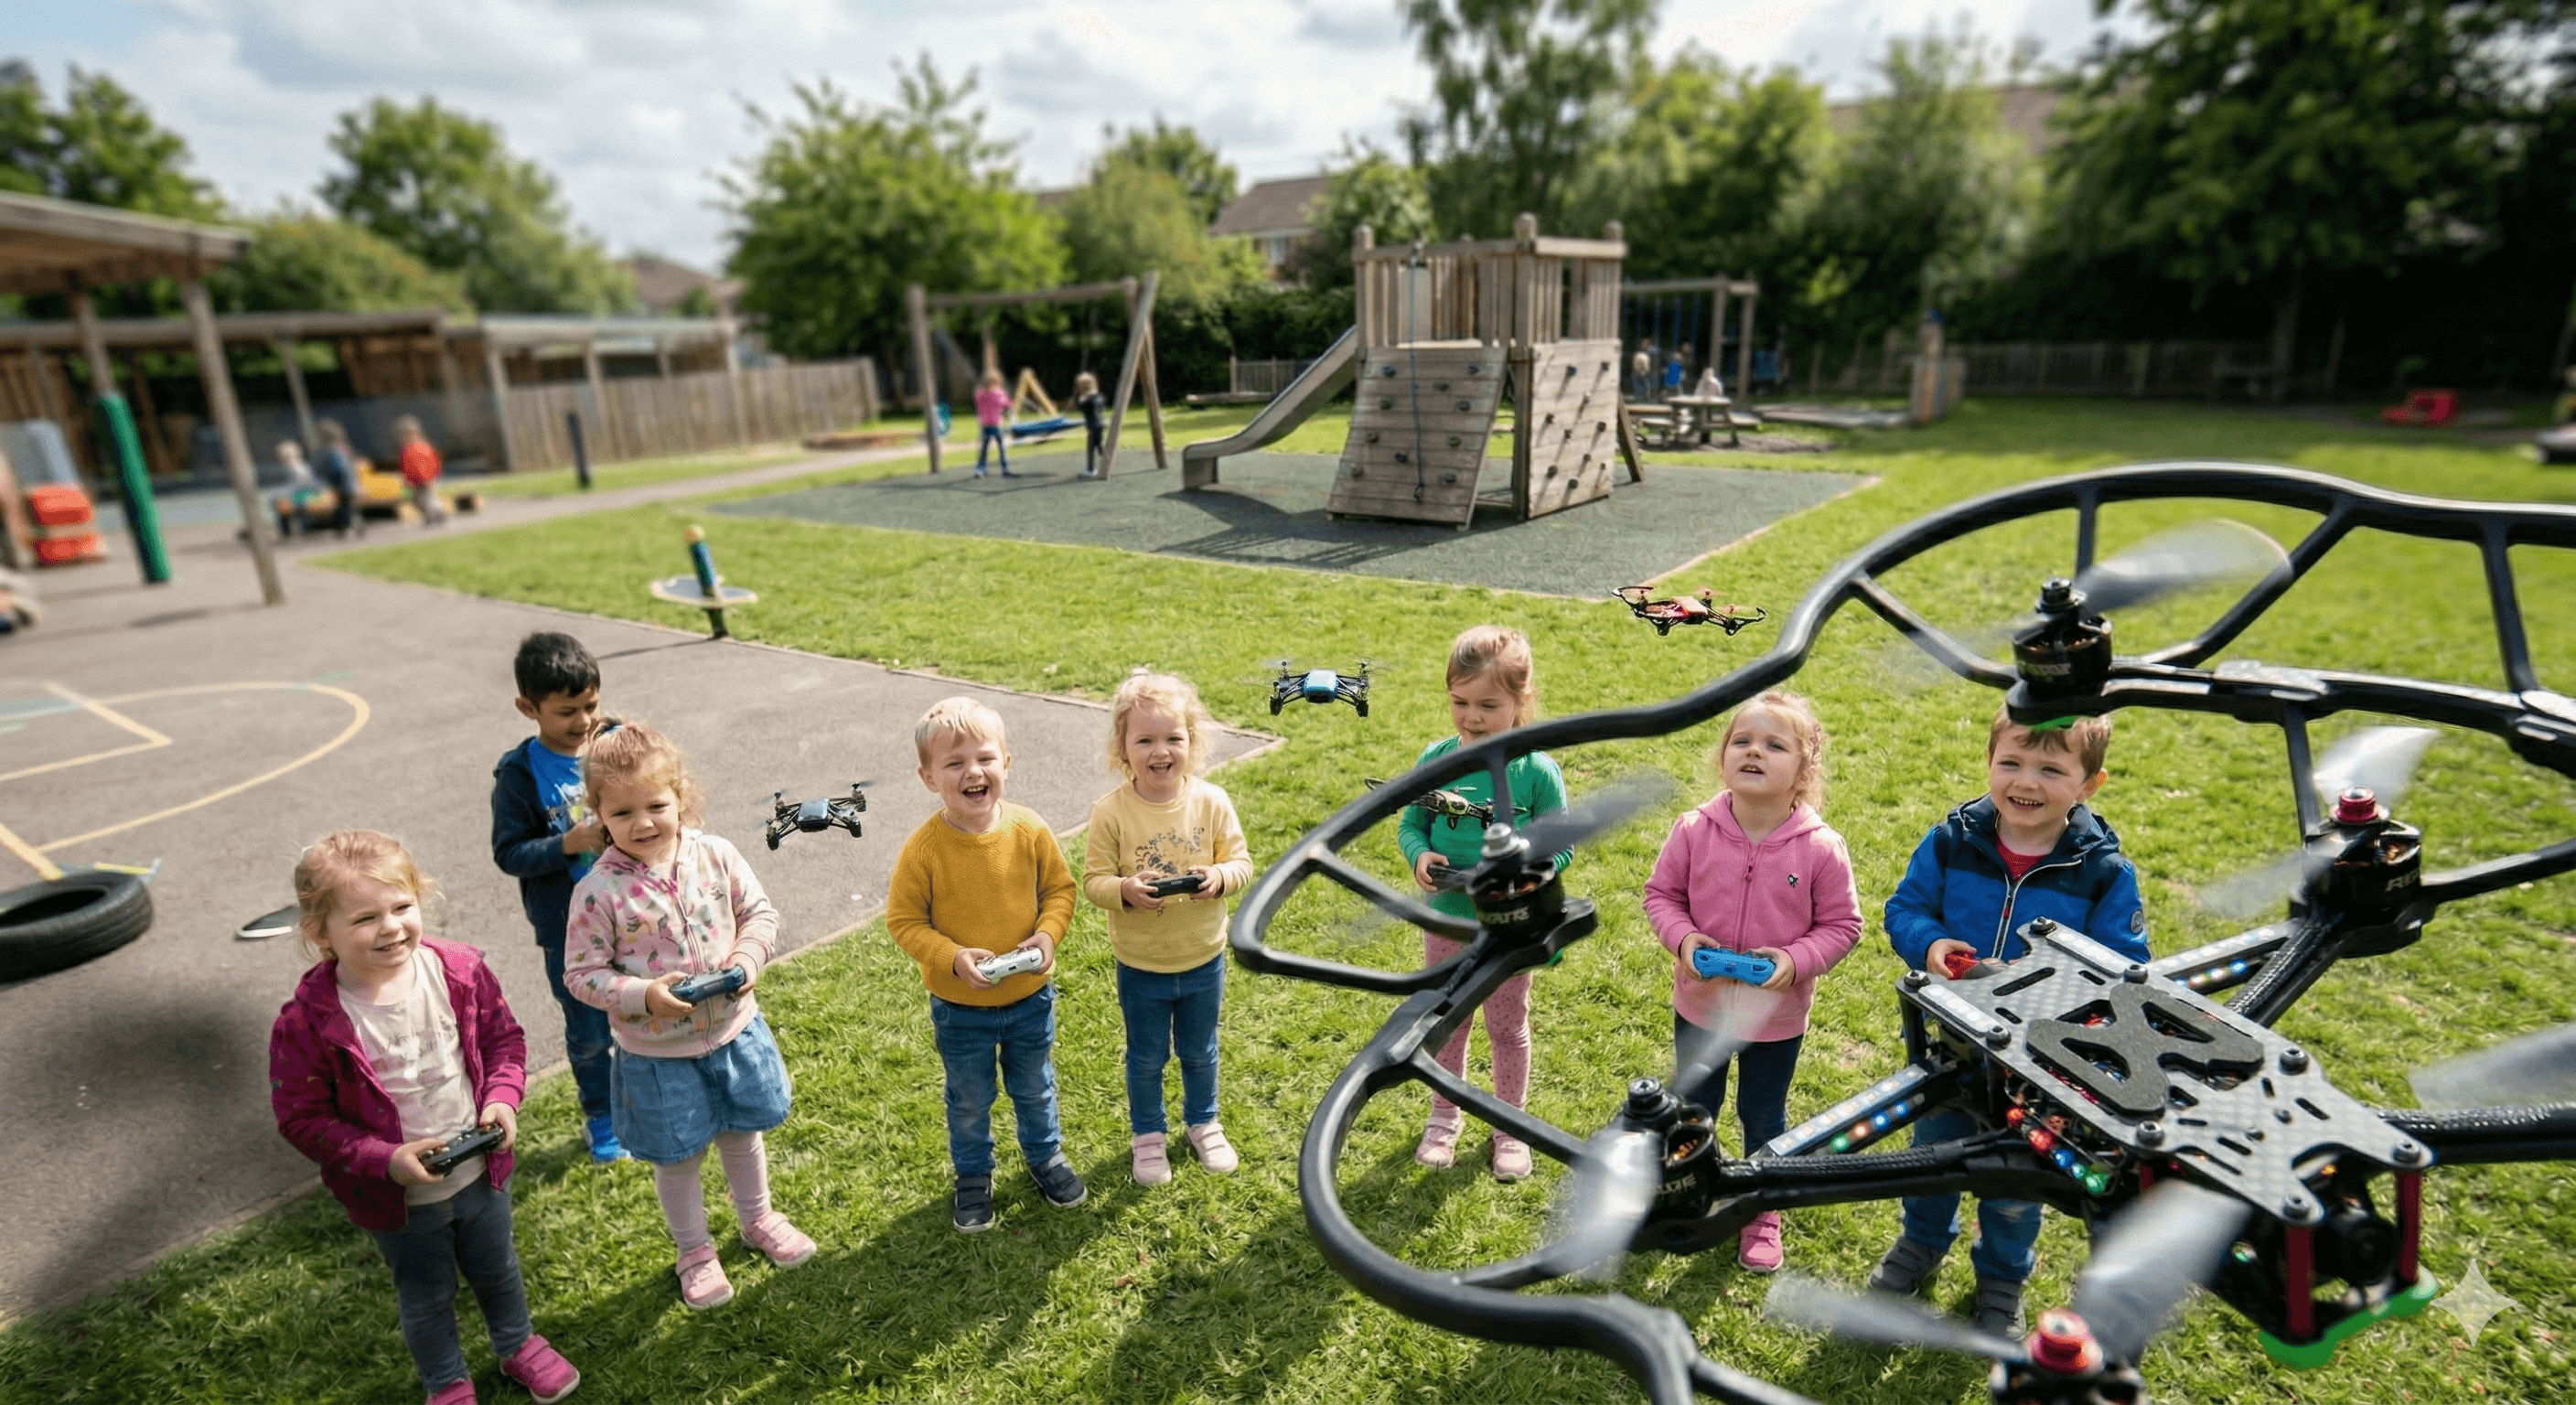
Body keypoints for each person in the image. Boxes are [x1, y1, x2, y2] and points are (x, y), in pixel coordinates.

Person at [269, 831, 581, 1405]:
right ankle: (447, 1382)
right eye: (365, 917)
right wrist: (385, 1162)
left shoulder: (457, 972)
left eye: (402, 907)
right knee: (426, 1293)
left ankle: (517, 1344)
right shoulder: (308, 1023)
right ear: (319, 933)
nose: (390, 927)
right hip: (398, 1200)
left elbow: (504, 1042)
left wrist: (501, 1100)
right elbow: (302, 1119)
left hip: (481, 1170)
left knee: (497, 1266)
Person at [1872, 707, 2148, 1335]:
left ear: (2088, 786)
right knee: (1933, 1158)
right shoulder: (1952, 840)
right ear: (1990, 762)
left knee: (2019, 1185)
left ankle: (2001, 1276)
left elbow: (2124, 969)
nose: (2027, 781)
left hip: (2045, 1068)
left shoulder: (2103, 872)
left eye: (2052, 768)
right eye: (2012, 762)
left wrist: (2042, 986)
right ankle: (1920, 1242)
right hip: (1953, 1050)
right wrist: (1932, 945)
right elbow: (1907, 907)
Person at [563, 723, 814, 1311]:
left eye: (656, 804)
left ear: (681, 796)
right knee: (677, 1156)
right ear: (598, 813)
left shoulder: (716, 854)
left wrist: (750, 955)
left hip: (732, 1032)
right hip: (657, 1054)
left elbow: (758, 913)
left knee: (740, 1132)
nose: (644, 822)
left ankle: (759, 1220)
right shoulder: (598, 892)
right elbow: (580, 974)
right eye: (623, 812)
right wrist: (642, 994)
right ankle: (695, 1251)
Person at [1642, 691, 1862, 1272]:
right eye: (1742, 741)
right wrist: (1685, 941)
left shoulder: (1821, 848)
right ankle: (1690, 1189)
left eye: (1774, 744)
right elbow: (1661, 896)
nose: (1754, 752)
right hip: (1701, 1007)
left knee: (1764, 1116)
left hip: (1774, 1020)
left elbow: (1843, 926)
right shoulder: (1693, 830)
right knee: (1693, 1107)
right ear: (1723, 757)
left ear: (1803, 768)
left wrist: (1792, 962)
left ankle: (1761, 1209)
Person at [886, 696, 1083, 1231]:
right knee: (970, 1099)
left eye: (985, 758)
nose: (973, 772)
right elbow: (904, 922)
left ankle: (1045, 1156)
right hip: (961, 1008)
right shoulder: (924, 850)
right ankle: (974, 1174)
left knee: (1035, 1085)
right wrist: (950, 957)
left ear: (1006, 764)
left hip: (1028, 999)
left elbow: (1060, 891)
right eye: (954, 764)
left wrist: (1046, 936)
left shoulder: (1029, 829)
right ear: (928, 777)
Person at [1400, 625, 1567, 1181]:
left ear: (1521, 701)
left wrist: (1524, 873)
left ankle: (1509, 1128)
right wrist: (1419, 855)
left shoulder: (1536, 772)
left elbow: (1560, 846)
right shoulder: (1436, 758)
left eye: (1488, 705)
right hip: (1446, 922)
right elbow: (1411, 823)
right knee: (1448, 1020)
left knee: (1506, 1026)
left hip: (1511, 928)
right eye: (1460, 702)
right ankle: (1443, 1118)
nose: (1472, 718)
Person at [1081, 671, 1255, 1185]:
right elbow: (1093, 881)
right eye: (1145, 740)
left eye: (1173, 738)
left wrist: (1219, 878)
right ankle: (1148, 1137)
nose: (1161, 751)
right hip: (1142, 965)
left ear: (1192, 742)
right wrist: (1125, 891)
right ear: (1123, 749)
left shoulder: (1211, 802)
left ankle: (1204, 1122)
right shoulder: (1110, 813)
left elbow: (1242, 863)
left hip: (1203, 956)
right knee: (1146, 1057)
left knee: (1200, 1051)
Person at [489, 632, 620, 1164]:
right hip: (569, 930)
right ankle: (604, 1119)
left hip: (633, 915)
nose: (584, 721)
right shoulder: (519, 776)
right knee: (590, 1032)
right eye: (567, 711)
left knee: (645, 1015)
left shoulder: (614, 745)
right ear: (528, 708)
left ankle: (653, 1099)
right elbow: (509, 853)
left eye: (590, 705)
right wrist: (566, 844)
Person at [395, 415, 447, 526]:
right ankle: (433, 515)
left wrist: (427, 479)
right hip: (417, 480)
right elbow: (406, 466)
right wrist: (407, 479)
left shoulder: (419, 447)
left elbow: (425, 465)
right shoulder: (407, 449)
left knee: (427, 498)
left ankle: (436, 515)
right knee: (417, 499)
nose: (404, 437)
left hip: (424, 479)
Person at [316, 419, 362, 539]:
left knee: (345, 506)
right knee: (347, 505)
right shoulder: (340, 449)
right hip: (346, 482)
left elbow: (341, 469)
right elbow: (348, 467)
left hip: (342, 483)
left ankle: (346, 527)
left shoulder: (333, 450)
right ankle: (350, 526)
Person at [971, 370, 1015, 478]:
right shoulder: (998, 393)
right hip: (995, 425)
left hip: (985, 425)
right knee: (1001, 449)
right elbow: (1007, 404)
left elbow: (979, 403)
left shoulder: (980, 393)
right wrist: (1011, 405)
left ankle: (980, 470)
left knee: (984, 450)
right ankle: (1005, 470)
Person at [276, 440, 320, 538]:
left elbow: (303, 484)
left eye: (287, 457)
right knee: (282, 505)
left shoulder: (297, 468)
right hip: (301, 495)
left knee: (284, 505)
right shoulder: (302, 466)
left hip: (303, 495)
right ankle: (288, 531)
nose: (286, 460)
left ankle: (287, 532)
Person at [1073, 370, 1108, 478]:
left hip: (1093, 426)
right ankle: (1106, 464)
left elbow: (1082, 407)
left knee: (1092, 448)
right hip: (1100, 424)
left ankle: (1091, 469)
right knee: (1099, 446)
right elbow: (1102, 402)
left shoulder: (1086, 399)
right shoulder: (1098, 396)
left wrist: (1082, 400)